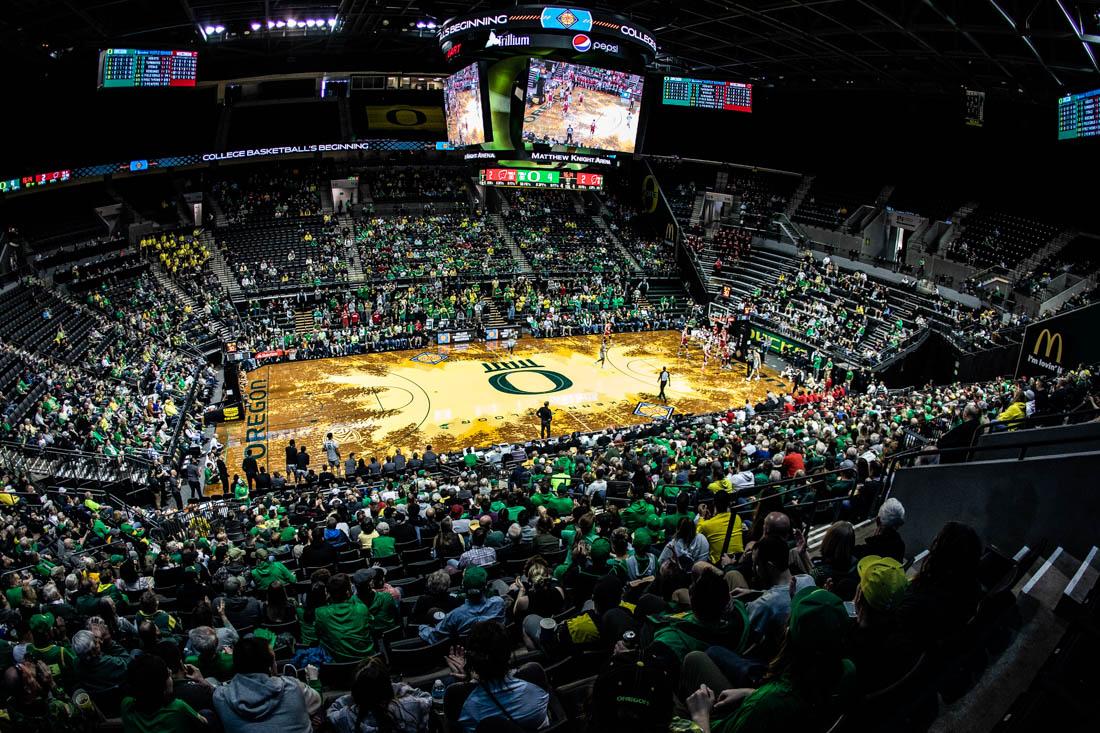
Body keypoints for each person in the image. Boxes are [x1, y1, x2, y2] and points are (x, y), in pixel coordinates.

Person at [684, 587, 856, 732]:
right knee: (696, 659)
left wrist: (700, 716)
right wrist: (751, 692)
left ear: (789, 635)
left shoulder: (768, 705)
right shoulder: (847, 670)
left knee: (692, 663)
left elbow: (773, 703)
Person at [446, 621, 550, 733]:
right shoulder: (534, 674)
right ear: (508, 653)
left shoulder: (456, 695)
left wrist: (468, 682)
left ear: (471, 659)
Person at [213, 637, 321, 733]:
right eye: (274, 659)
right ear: (270, 667)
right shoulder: (293, 686)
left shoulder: (220, 697)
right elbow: (317, 703)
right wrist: (313, 680)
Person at [326, 657, 431, 733]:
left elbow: (331, 711)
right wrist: (396, 687)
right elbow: (426, 697)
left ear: (355, 693)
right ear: (388, 687)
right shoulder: (411, 705)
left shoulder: (344, 717)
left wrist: (358, 696)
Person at [120, 653, 208, 733]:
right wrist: (202, 681)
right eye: (168, 675)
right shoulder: (177, 707)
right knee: (206, 713)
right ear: (162, 686)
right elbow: (203, 723)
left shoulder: (126, 704)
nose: (171, 677)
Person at [419, 566, 505, 644]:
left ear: (463, 587)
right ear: (486, 586)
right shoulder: (499, 603)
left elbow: (434, 637)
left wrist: (423, 628)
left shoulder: (455, 615)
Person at [315, 573, 376, 661]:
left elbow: (318, 635)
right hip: (368, 660)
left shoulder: (320, 613)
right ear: (348, 592)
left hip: (340, 665)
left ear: (328, 594)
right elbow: (372, 628)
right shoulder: (361, 608)